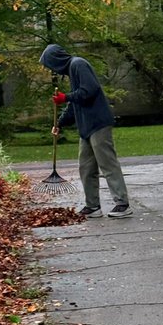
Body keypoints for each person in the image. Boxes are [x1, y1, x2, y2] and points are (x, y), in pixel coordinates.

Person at [39, 43, 132, 219]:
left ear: (56, 60)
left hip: (98, 123)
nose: (52, 70)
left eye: (50, 65)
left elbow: (90, 90)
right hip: (86, 127)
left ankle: (122, 203)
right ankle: (93, 205)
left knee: (107, 163)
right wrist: (59, 123)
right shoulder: (71, 72)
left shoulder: (78, 64)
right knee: (86, 167)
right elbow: (74, 104)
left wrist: (65, 97)